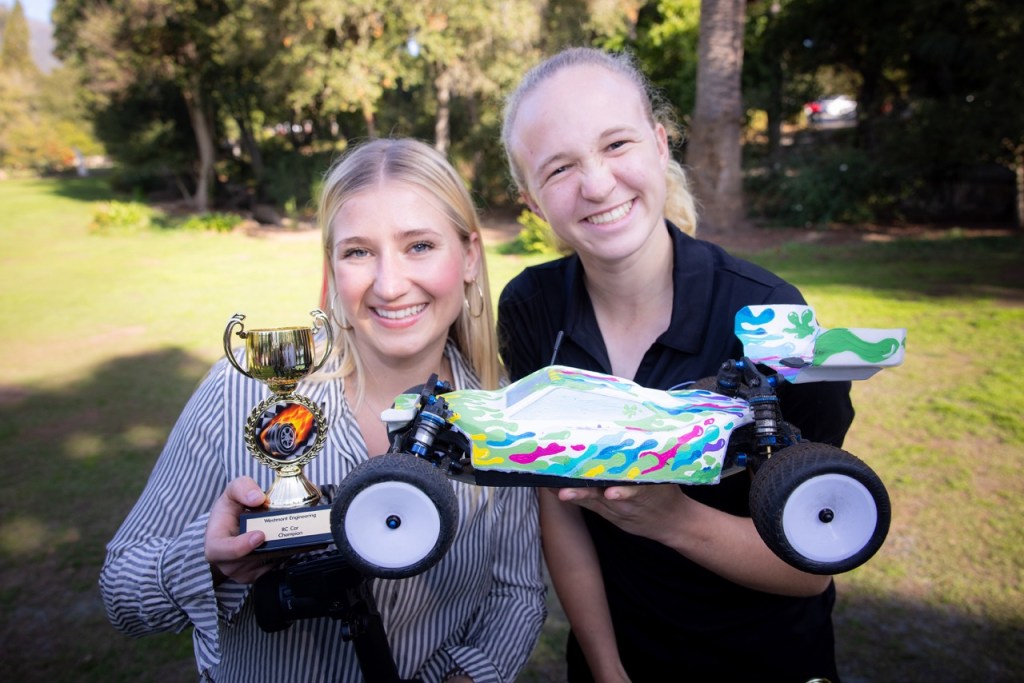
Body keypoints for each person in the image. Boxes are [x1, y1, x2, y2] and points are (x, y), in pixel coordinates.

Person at [99, 138, 546, 683]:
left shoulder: (501, 421)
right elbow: (121, 593)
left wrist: (467, 677)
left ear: (470, 256)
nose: (390, 285)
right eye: (358, 252)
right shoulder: (243, 394)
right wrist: (209, 559)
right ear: (332, 268)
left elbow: (516, 594)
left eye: (420, 245)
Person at [497, 47, 855, 682]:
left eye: (616, 144)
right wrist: (607, 669)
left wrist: (675, 520)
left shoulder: (769, 316)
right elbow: (558, 505)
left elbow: (812, 566)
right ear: (531, 201)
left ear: (660, 145)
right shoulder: (531, 308)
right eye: (560, 168)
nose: (597, 184)